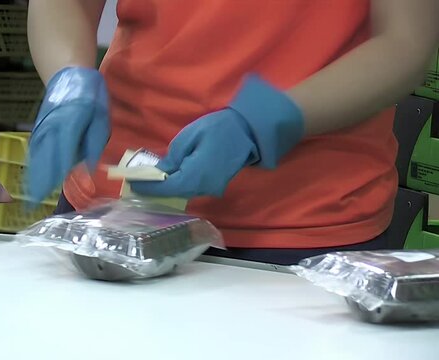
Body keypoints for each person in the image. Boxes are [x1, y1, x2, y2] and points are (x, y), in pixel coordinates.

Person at [25, 0, 439, 265]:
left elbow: (405, 43)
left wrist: (263, 121)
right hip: (115, 200)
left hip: (302, 222)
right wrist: (70, 81)